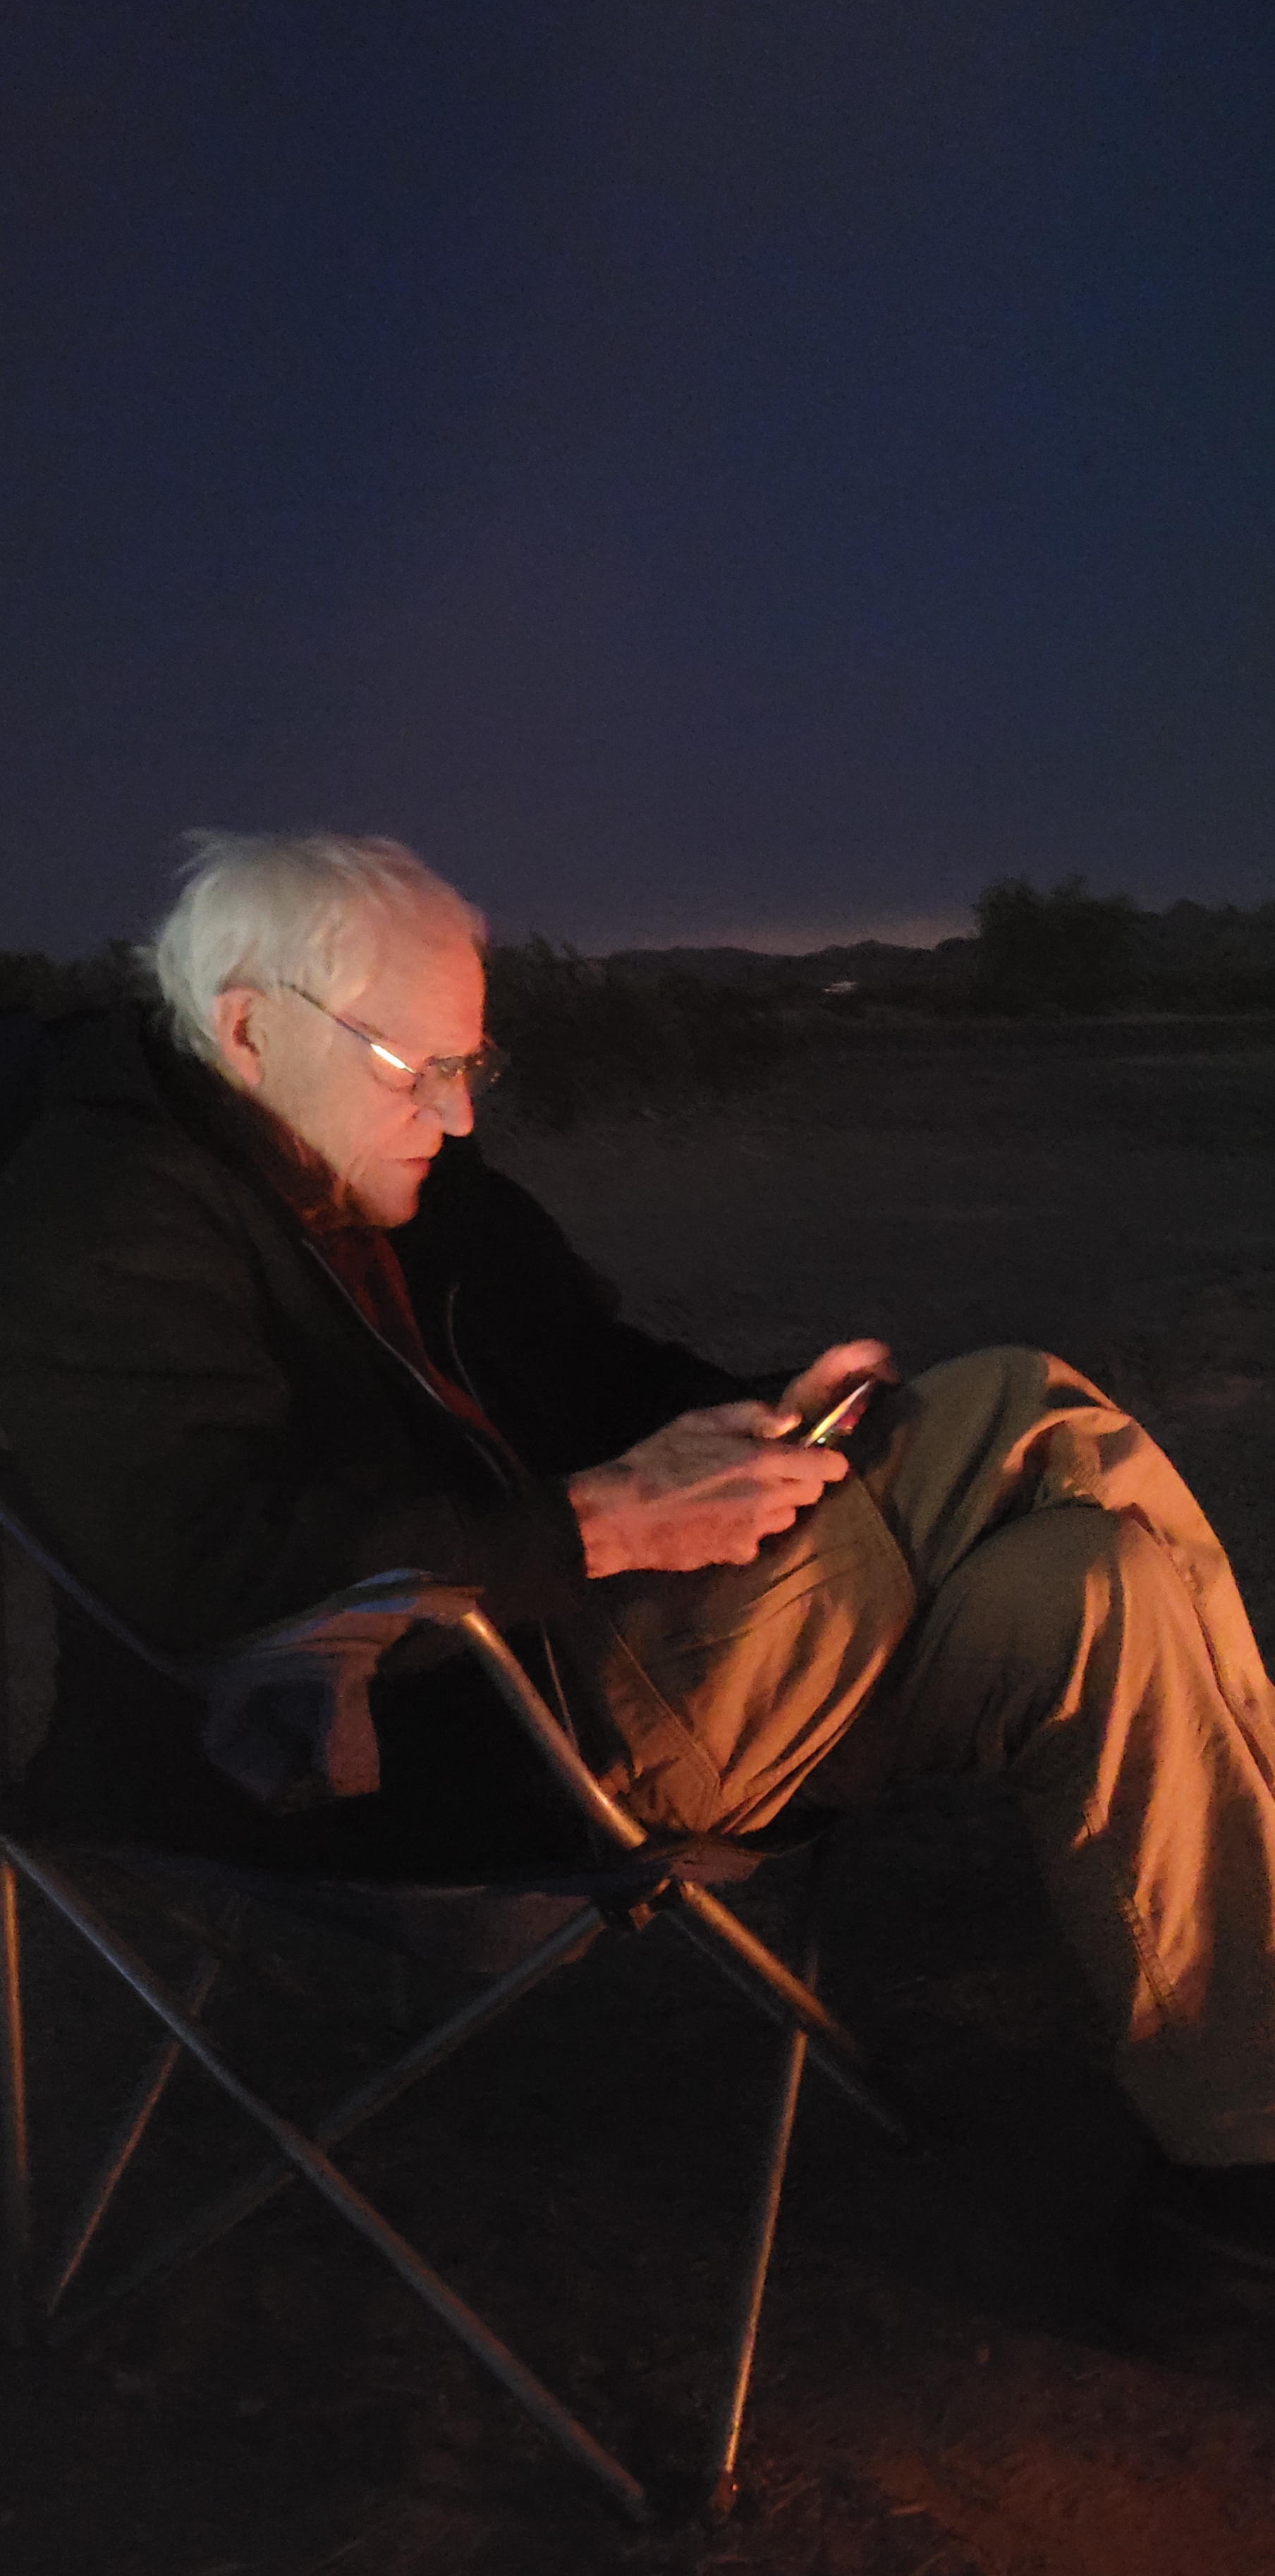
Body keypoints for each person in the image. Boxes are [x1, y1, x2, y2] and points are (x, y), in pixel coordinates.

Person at [1, 829, 1274, 2269]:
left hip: (624, 1671)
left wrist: (755, 1414)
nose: (456, 1115)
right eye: (415, 1067)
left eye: (471, 1066)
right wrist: (594, 1524)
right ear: (247, 1028)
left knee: (1096, 1586)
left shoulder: (411, 1184)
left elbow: (599, 1371)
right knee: (1026, 1402)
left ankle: (1241, 2170)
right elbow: (206, 1570)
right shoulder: (101, 1215)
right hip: (454, 1749)